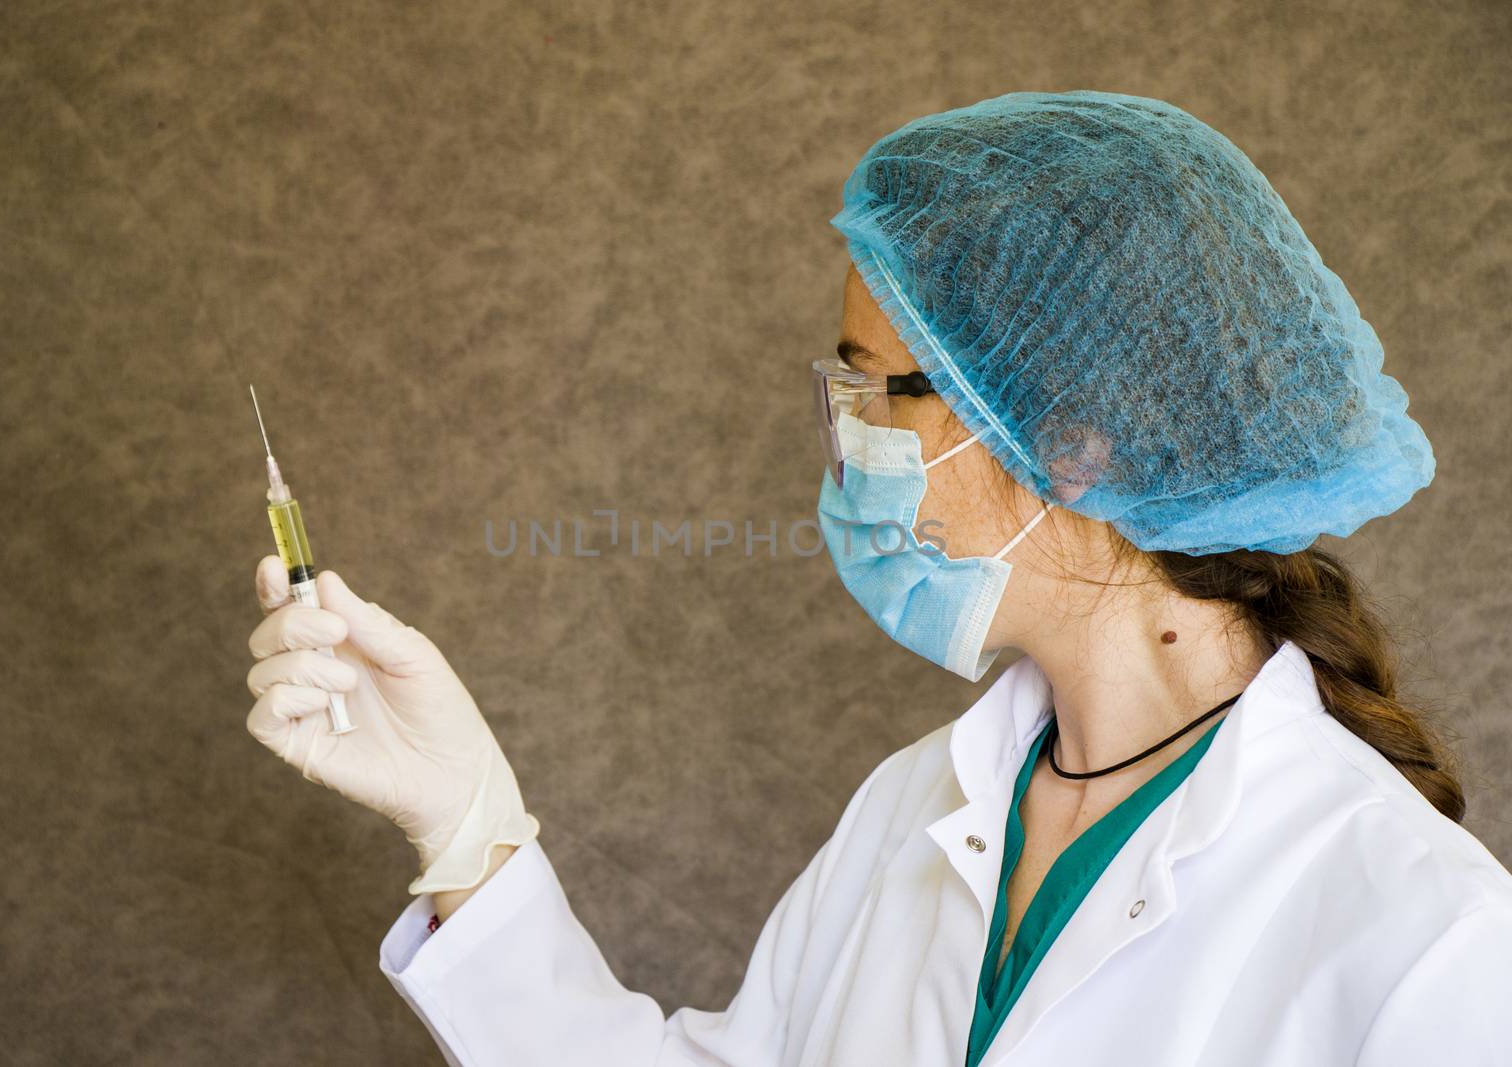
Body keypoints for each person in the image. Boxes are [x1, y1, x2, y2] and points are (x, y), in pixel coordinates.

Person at [244, 90, 1512, 1065]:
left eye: (872, 386)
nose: (845, 437)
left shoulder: (1425, 933)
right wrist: (472, 833)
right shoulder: (917, 805)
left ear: (1067, 442)